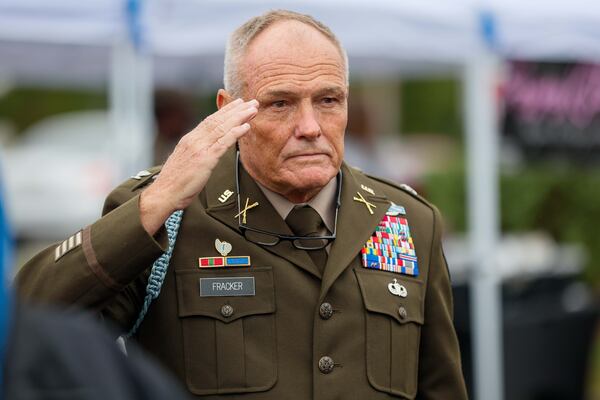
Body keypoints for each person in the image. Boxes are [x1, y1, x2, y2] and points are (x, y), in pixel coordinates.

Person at [15, 10, 468, 399]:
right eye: (280, 103)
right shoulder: (168, 214)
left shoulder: (406, 221)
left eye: (328, 100)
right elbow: (28, 314)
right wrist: (156, 204)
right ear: (227, 110)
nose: (310, 126)